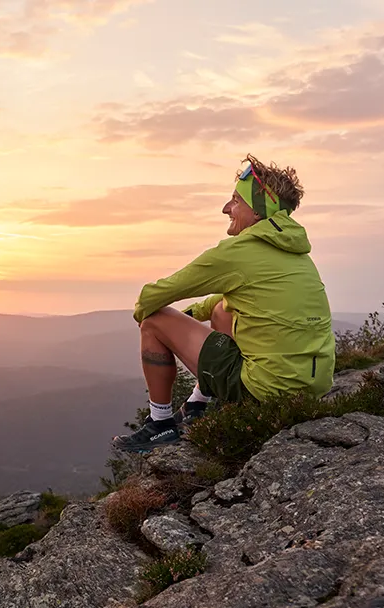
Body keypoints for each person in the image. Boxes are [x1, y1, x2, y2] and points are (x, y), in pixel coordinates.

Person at [112, 154, 335, 453]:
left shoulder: (239, 252)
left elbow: (155, 294)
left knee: (154, 322)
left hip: (265, 393)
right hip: (311, 390)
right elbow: (235, 298)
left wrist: (150, 318)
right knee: (222, 309)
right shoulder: (296, 254)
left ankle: (160, 425)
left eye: (235, 201)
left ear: (258, 212)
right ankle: (195, 407)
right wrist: (194, 315)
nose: (226, 209)